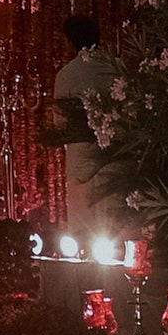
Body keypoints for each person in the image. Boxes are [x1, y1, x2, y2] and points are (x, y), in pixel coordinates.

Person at [50, 14, 119, 231]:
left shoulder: (67, 74)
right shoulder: (117, 67)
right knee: (115, 216)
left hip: (81, 156)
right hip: (117, 152)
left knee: (84, 222)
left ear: (69, 41)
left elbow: (60, 123)